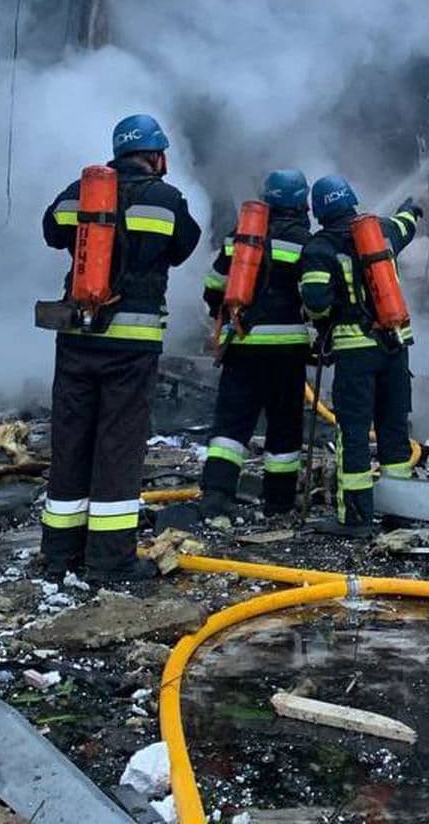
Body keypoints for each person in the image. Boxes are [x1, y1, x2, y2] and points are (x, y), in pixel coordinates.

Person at [39, 114, 201, 581]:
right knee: (117, 445)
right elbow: (183, 247)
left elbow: (52, 233)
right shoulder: (167, 200)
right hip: (131, 347)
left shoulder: (78, 192)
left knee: (71, 441)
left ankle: (60, 553)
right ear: (154, 154)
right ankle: (110, 559)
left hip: (77, 340)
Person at [298, 176, 422, 535]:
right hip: (395, 348)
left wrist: (324, 323)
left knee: (352, 433)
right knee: (394, 430)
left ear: (318, 210)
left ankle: (355, 517)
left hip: (355, 353)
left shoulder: (319, 248)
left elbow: (316, 301)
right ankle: (399, 513)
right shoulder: (381, 231)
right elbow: (406, 226)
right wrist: (411, 209)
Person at [197, 169, 315, 518]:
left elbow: (213, 285)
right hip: (288, 352)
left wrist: (226, 315)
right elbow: (315, 295)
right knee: (284, 426)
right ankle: (278, 503)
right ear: (302, 203)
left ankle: (216, 496)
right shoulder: (306, 244)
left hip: (244, 346)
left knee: (231, 425)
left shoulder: (242, 238)